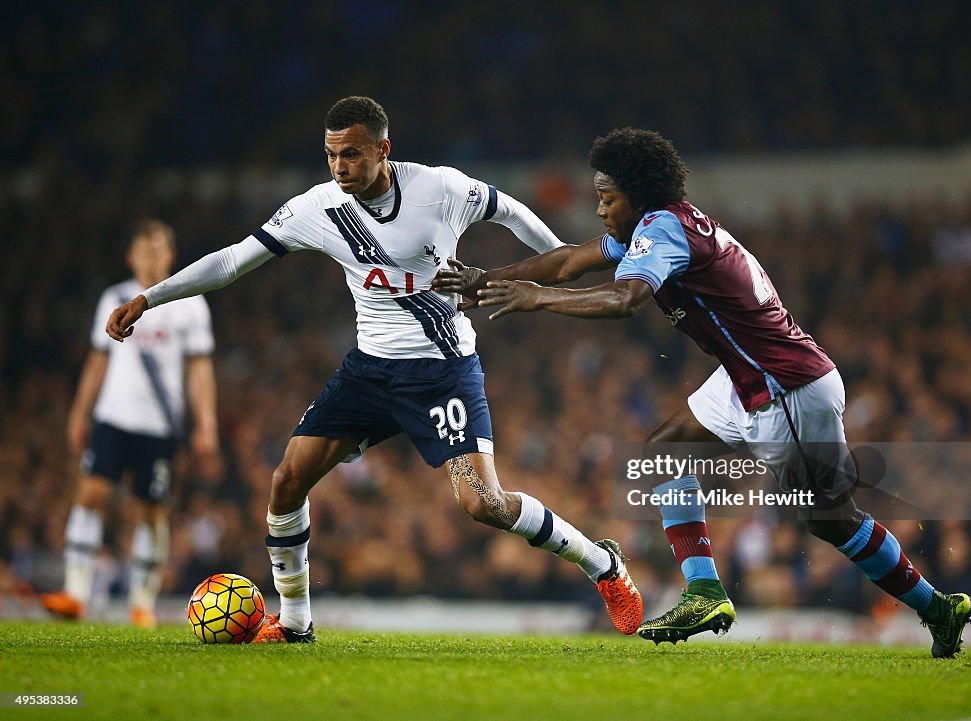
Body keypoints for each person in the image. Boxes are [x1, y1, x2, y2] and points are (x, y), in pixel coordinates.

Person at [104, 97, 643, 643]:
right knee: (287, 482)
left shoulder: (440, 189)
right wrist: (151, 298)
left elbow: (510, 211)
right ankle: (295, 625)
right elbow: (233, 260)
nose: (340, 167)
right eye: (332, 155)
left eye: (353, 155)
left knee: (485, 504)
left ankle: (602, 564)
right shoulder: (316, 208)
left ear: (384, 150)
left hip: (441, 369)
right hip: (368, 372)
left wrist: (558, 260)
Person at [432, 128, 971, 658]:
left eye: (607, 198)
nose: (600, 210)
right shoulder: (659, 225)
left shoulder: (663, 230)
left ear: (636, 197)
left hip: (783, 386)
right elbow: (571, 259)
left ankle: (934, 608)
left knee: (830, 518)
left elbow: (626, 300)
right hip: (749, 376)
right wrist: (488, 278)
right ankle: (706, 593)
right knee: (664, 449)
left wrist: (537, 300)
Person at [42, 220, 219, 627]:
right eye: (144, 249)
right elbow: (97, 360)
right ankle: (75, 593)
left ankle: (143, 603)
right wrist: (78, 414)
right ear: (131, 256)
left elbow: (200, 370)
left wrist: (205, 423)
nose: (151, 255)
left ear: (171, 256)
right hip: (112, 417)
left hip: (159, 426)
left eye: (158, 249)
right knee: (90, 494)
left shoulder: (189, 302)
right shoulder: (115, 297)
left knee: (151, 511)